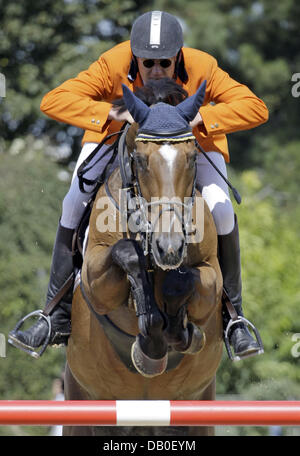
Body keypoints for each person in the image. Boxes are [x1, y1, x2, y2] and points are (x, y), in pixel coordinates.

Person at [8, 11, 268, 360]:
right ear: (134, 57)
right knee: (74, 201)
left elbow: (256, 107)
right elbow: (52, 100)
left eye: (165, 62)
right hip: (119, 138)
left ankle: (233, 317)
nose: (157, 71)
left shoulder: (203, 66)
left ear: (178, 56)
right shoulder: (112, 62)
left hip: (188, 146)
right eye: (148, 63)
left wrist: (203, 117)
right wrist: (112, 114)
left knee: (221, 209)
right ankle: (55, 313)